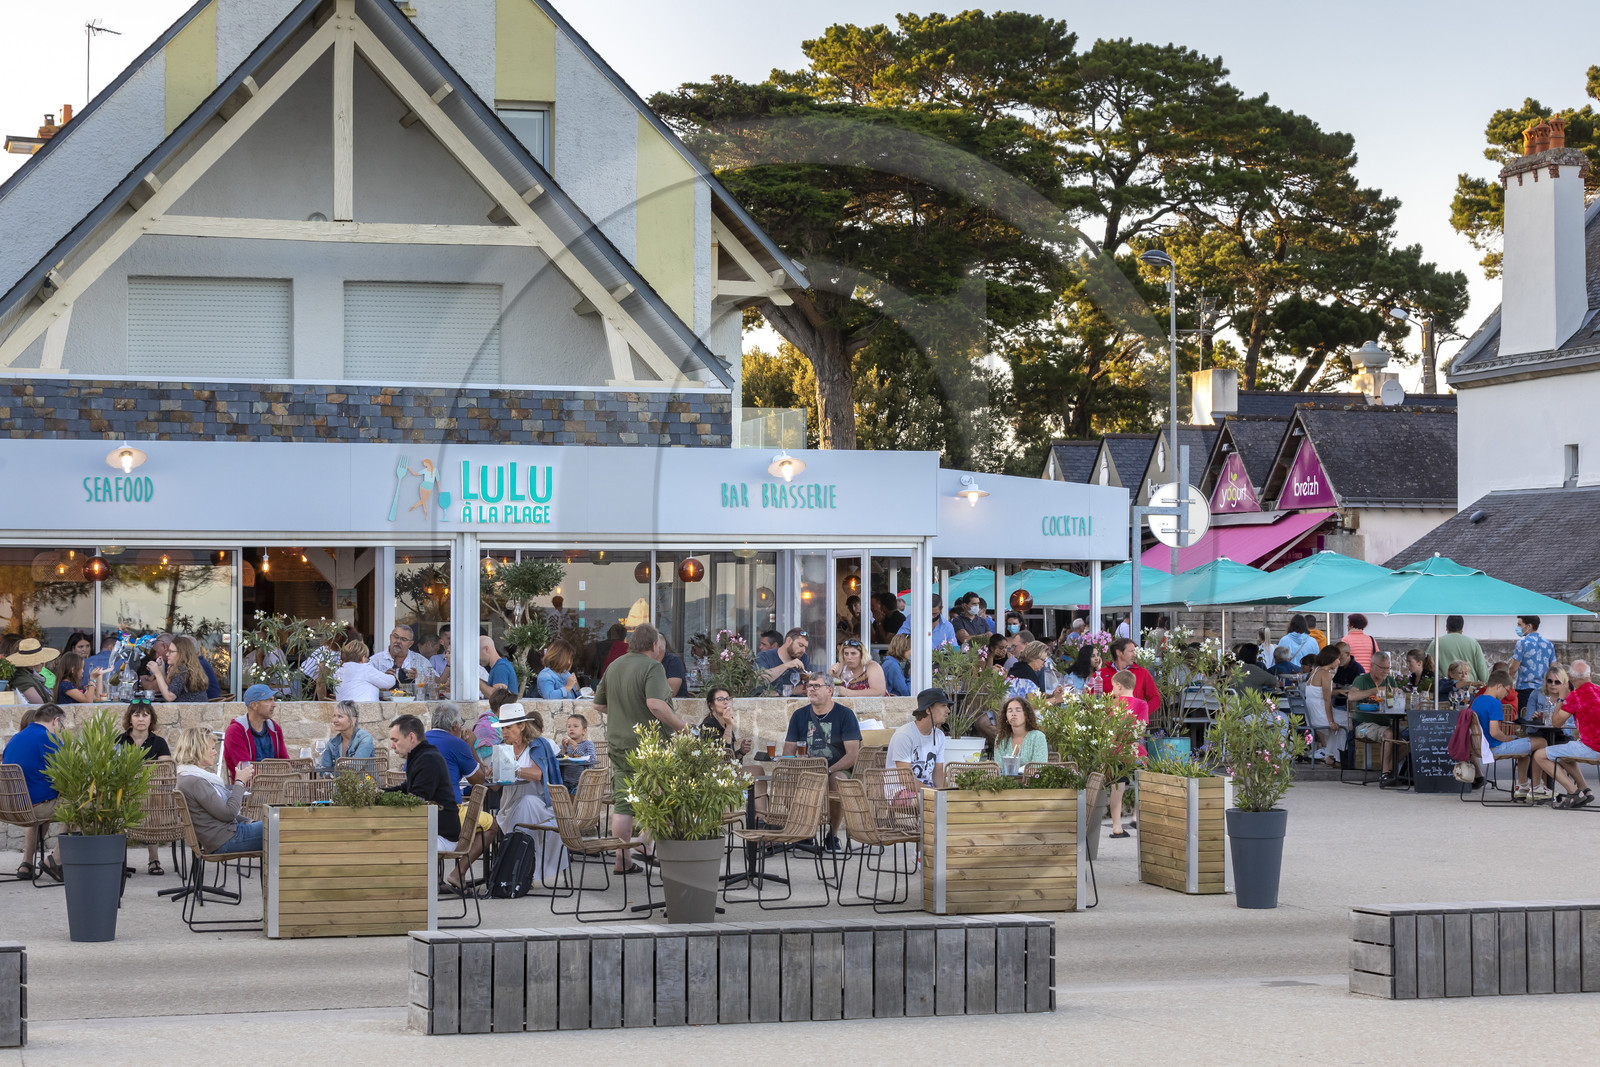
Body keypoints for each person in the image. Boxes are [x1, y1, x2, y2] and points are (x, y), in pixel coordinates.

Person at [593, 622, 688, 874]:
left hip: (619, 745)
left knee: (623, 805)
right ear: (654, 645)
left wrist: (625, 709)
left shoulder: (614, 665)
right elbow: (656, 704)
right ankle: (645, 843)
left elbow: (599, 705)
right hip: (649, 746)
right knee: (666, 795)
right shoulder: (652, 667)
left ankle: (622, 860)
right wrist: (681, 727)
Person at [481, 704, 567, 886]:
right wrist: (492, 774)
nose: (504, 732)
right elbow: (495, 788)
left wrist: (513, 769)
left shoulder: (537, 745)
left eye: (508, 727)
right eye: (502, 728)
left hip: (541, 806)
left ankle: (521, 868)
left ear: (521, 726)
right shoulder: (502, 748)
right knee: (521, 807)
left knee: (527, 803)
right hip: (509, 806)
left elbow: (537, 774)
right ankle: (517, 870)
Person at [782, 674, 861, 851]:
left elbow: (852, 755)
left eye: (816, 686)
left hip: (836, 769)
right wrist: (793, 767)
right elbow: (788, 750)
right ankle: (806, 832)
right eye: (809, 686)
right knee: (787, 781)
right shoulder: (799, 715)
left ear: (830, 690)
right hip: (807, 770)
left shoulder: (845, 715)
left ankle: (832, 836)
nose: (811, 689)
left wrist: (828, 770)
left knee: (837, 781)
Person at [174, 725, 263, 855]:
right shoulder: (195, 781)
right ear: (199, 749)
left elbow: (219, 812)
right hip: (227, 839)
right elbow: (228, 813)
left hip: (227, 834)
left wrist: (247, 821)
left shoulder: (190, 777)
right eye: (212, 748)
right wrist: (240, 782)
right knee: (282, 826)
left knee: (279, 825)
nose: (215, 752)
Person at [2, 702, 65, 881]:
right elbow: (67, 772)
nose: (60, 731)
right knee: (82, 806)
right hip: (33, 810)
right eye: (61, 726)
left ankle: (26, 863)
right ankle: (54, 860)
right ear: (56, 721)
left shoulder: (15, 738)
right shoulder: (49, 738)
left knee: (41, 799)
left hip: (8, 809)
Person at [386, 714, 464, 853]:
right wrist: (381, 793)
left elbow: (417, 800)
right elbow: (406, 788)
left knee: (388, 844)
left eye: (395, 740)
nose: (392, 746)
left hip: (441, 836)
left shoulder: (428, 759)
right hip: (431, 830)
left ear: (411, 737)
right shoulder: (420, 756)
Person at [114, 700, 173, 874]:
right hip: (126, 792)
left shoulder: (159, 742)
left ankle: (153, 859)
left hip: (151, 792)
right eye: (137, 715)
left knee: (152, 801)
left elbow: (165, 772)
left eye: (145, 715)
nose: (141, 719)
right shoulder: (120, 740)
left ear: (151, 719)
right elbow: (114, 768)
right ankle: (118, 860)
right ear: (130, 718)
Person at [1472, 670, 1551, 799]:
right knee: (1542, 742)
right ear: (1499, 686)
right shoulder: (1494, 703)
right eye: (1507, 690)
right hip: (1494, 748)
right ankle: (1536, 787)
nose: (1507, 694)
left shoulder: (1477, 700)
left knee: (1525, 748)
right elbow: (1494, 732)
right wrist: (1509, 738)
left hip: (1481, 747)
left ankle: (1522, 786)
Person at [1535, 659, 1600, 808]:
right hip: (1593, 746)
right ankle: (1585, 790)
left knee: (1540, 755)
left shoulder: (1575, 696)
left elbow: (1556, 723)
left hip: (1591, 748)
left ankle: (1574, 793)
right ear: (1590, 674)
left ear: (1570, 678)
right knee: (1562, 749)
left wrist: (1561, 698)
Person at [1107, 670, 1150, 838]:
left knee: (1117, 789)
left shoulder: (1111, 704)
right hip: (1136, 750)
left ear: (1119, 686)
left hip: (1115, 751)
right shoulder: (1141, 704)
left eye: (1113, 687)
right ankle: (1135, 817)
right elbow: (1141, 728)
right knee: (1142, 785)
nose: (1112, 690)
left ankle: (1117, 827)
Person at [426, 702, 488, 806]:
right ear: (455, 726)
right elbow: (479, 780)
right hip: (448, 808)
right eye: (461, 723)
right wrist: (470, 746)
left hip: (419, 807)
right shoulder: (457, 744)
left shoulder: (420, 740)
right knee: (489, 817)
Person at [223, 683, 288, 782]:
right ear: (254, 705)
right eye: (268, 700)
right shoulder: (235, 731)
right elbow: (245, 770)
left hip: (276, 786)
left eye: (273, 700)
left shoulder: (274, 728)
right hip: (248, 789)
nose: (274, 705)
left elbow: (285, 762)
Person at [886, 687, 948, 789]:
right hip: (901, 791)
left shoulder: (939, 735)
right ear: (928, 710)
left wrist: (944, 795)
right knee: (924, 799)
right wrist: (933, 794)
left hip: (927, 791)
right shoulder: (904, 735)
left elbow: (938, 775)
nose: (948, 710)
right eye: (943, 706)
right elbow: (905, 780)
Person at [1096, 638, 1160, 715]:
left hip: (1135, 721)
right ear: (1119, 653)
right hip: (1108, 721)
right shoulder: (1100, 675)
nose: (1134, 655)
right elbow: (1091, 699)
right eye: (1131, 651)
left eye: (1134, 651)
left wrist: (1141, 713)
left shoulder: (1142, 673)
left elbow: (1155, 699)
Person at [1304, 645, 1342, 765]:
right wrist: (1331, 722)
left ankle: (1329, 754)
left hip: (1312, 716)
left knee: (1343, 721)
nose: (1339, 662)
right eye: (1338, 659)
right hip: (1321, 716)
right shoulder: (1325, 674)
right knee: (1348, 721)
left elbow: (1320, 693)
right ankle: (1335, 756)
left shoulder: (1315, 671)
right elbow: (1327, 700)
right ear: (1331, 659)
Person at [1509, 615, 1556, 713]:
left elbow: (1513, 668)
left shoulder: (1522, 643)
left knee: (1526, 717)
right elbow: (1554, 668)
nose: (1517, 627)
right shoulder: (1548, 644)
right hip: (1544, 689)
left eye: (1519, 624)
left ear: (1529, 626)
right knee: (1541, 717)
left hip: (1525, 689)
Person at [317, 699, 376, 774]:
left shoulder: (364, 738)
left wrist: (333, 774)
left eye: (340, 716)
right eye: (334, 716)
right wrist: (330, 775)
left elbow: (355, 767)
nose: (335, 720)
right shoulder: (332, 743)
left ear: (353, 720)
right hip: (339, 781)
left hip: (366, 781)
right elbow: (324, 770)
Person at [1426, 616, 1489, 685]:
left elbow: (1427, 668)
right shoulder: (1473, 643)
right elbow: (1484, 676)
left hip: (1445, 688)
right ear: (1462, 628)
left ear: (1446, 627)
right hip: (1470, 687)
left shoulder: (1436, 643)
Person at [332, 639, 396, 703]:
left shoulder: (338, 672)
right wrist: (390, 675)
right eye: (367, 658)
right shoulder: (364, 668)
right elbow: (389, 682)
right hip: (365, 708)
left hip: (343, 708)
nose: (368, 661)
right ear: (363, 658)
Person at [370, 624, 433, 688]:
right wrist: (383, 678)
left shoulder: (421, 661)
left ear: (410, 644)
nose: (398, 641)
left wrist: (419, 677)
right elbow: (366, 685)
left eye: (404, 639)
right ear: (390, 637)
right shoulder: (375, 661)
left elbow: (437, 681)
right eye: (395, 637)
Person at [993, 696, 1048, 768]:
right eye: (1010, 711)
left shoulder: (1038, 736)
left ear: (1026, 714)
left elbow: (1038, 766)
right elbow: (999, 766)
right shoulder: (1001, 738)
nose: (1013, 714)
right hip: (1005, 776)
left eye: (1018, 710)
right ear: (1006, 716)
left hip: (1032, 775)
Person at [755, 627, 812, 696]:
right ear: (788, 641)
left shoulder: (803, 658)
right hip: (766, 701)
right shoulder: (764, 656)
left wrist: (782, 692)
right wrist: (786, 666)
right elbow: (758, 679)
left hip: (795, 702)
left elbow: (806, 686)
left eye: (805, 647)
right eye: (800, 645)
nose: (803, 650)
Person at [699, 688, 751, 762]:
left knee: (758, 768)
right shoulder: (707, 727)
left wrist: (741, 752)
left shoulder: (725, 723)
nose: (726, 702)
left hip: (727, 767)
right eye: (720, 699)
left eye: (728, 698)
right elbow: (722, 758)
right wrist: (729, 726)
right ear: (711, 706)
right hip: (715, 768)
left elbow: (730, 759)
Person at [3, 638, 58, 704]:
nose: (43, 662)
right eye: (39, 659)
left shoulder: (30, 675)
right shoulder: (22, 679)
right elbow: (39, 705)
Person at [558, 712, 600, 791]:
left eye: (575, 726)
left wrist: (576, 749)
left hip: (583, 783)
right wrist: (563, 750)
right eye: (569, 726)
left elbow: (591, 759)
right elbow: (557, 761)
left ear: (584, 730)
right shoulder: (564, 746)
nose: (571, 729)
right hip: (565, 782)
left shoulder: (588, 744)